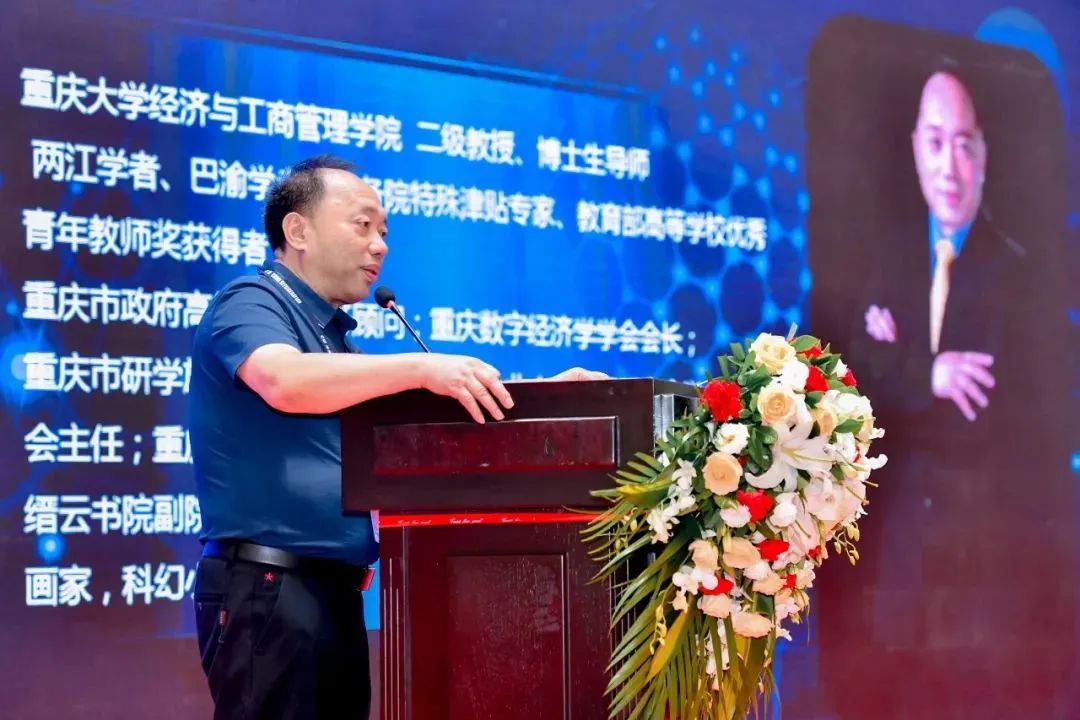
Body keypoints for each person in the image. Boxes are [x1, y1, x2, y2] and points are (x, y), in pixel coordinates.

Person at [189, 154, 605, 720]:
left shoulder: (335, 340)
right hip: (270, 587)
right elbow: (282, 380)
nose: (380, 246)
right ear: (298, 230)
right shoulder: (252, 299)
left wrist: (549, 400)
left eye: (384, 232)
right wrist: (420, 367)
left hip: (332, 592)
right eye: (363, 225)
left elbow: (419, 425)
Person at [813, 68, 1074, 719]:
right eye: (935, 142)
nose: (949, 165)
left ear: (983, 154)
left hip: (987, 565)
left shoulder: (1018, 275)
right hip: (902, 557)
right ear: (915, 150)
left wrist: (897, 365)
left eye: (963, 143)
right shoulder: (892, 258)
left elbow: (995, 414)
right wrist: (927, 375)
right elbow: (858, 384)